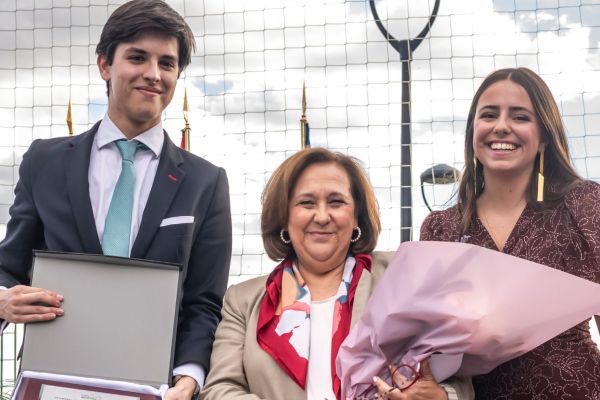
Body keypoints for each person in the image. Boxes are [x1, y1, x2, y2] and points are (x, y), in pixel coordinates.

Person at [0, 1, 232, 399]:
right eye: (138, 58)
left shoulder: (205, 182)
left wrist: (190, 379)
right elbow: (9, 266)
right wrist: (4, 301)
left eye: (167, 63)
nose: (153, 74)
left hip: (157, 387)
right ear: (105, 65)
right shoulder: (44, 162)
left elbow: (204, 303)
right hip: (53, 381)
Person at [201, 148, 472, 400]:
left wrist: (441, 396)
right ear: (284, 216)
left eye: (336, 202)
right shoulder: (242, 301)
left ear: (356, 217)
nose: (321, 216)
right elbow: (219, 389)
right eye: (306, 203)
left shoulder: (401, 277)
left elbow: (460, 383)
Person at [420, 67, 600, 399]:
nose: (501, 126)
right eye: (489, 115)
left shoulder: (585, 205)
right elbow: (431, 351)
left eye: (520, 117)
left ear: (544, 136)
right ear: (472, 133)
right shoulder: (440, 229)